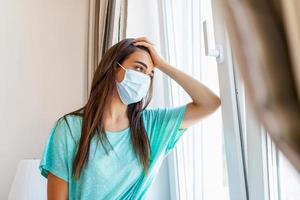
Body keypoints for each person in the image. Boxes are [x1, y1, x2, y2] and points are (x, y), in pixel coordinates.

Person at [38, 37, 221, 200]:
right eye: (139, 68)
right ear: (114, 67)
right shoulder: (69, 129)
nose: (144, 79)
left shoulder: (152, 125)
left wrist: (163, 65)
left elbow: (210, 103)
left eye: (150, 74)